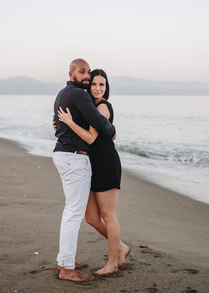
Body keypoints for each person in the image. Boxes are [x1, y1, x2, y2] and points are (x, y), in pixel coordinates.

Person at [57, 69, 130, 277]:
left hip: (105, 163)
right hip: (90, 165)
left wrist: (70, 122)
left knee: (109, 215)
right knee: (91, 218)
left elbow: (90, 137)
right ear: (89, 86)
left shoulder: (103, 107)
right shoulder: (88, 107)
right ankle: (122, 247)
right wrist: (61, 122)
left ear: (106, 89)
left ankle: (113, 262)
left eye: (102, 85)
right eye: (95, 84)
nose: (98, 88)